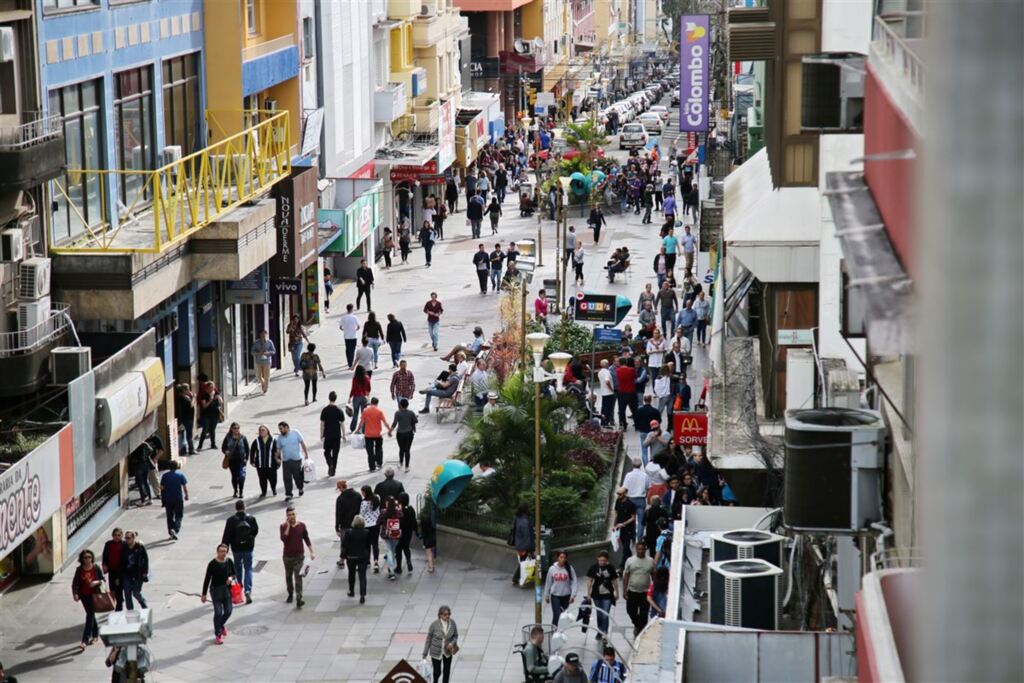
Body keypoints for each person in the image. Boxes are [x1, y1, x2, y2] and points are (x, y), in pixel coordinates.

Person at [221, 500, 258, 604]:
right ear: (245, 507)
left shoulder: (231, 520)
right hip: (248, 548)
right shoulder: (251, 518)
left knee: (237, 568)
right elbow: (255, 531)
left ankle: (239, 587)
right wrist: (251, 538)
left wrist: (225, 548)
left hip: (236, 549)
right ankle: (248, 590)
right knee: (248, 568)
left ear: (235, 508)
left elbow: (226, 535)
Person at [200, 543, 236, 644]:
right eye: (221, 551)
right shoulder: (212, 564)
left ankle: (221, 624)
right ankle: (218, 634)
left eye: (225, 551)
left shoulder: (229, 562)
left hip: (226, 590)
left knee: (228, 611)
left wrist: (231, 578)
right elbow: (207, 579)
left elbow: (234, 573)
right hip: (215, 591)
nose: (223, 553)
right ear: (217, 552)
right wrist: (204, 594)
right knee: (218, 613)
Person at [280, 507, 314, 608]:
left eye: (293, 514)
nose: (291, 517)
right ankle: (290, 593)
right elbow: (284, 539)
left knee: (298, 577)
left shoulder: (302, 525)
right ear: (287, 516)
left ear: (296, 514)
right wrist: (288, 526)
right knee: (288, 577)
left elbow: (306, 538)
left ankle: (299, 598)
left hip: (299, 557)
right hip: (287, 557)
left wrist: (312, 551)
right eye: (289, 515)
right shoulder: (283, 526)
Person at [72, 549, 105, 650]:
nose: (87, 559)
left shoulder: (95, 568)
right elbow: (75, 583)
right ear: (82, 559)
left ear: (92, 558)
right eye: (85, 557)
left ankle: (84, 640)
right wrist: (75, 594)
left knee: (90, 615)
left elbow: (103, 580)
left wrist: (95, 582)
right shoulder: (79, 570)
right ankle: (95, 635)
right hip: (84, 596)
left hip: (94, 595)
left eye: (89, 557)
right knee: (91, 615)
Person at [623, 541, 656, 636]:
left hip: (645, 593)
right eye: (638, 549)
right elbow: (626, 575)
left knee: (644, 614)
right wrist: (624, 590)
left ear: (645, 549)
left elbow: (653, 575)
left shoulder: (650, 561)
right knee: (630, 611)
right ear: (636, 549)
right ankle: (637, 624)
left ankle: (641, 632)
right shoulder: (630, 561)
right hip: (632, 591)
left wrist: (654, 590)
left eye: (642, 549)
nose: (640, 551)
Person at [586, 551, 619, 642]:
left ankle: (604, 632)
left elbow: (614, 581)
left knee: (605, 614)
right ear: (598, 559)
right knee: (599, 614)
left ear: (607, 560)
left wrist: (617, 592)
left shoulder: (610, 568)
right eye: (600, 560)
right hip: (596, 594)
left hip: (607, 594)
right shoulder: (594, 568)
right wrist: (588, 593)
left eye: (604, 560)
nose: (602, 562)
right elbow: (589, 580)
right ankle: (599, 630)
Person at [422, 605, 459, 683]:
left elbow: (455, 636)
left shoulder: (452, 623)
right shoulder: (434, 624)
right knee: (437, 671)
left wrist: (452, 643)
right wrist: (425, 653)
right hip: (436, 651)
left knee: (446, 671)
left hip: (447, 651)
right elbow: (428, 639)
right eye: (445, 614)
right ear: (440, 615)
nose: (447, 616)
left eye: (448, 614)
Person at [340, 514, 372, 603]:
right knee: (362, 576)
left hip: (351, 557)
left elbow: (344, 545)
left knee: (351, 574)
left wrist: (343, 555)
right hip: (362, 556)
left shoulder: (348, 532)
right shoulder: (366, 532)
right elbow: (368, 545)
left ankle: (351, 591)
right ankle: (362, 594)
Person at [544, 550, 578, 628]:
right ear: (557, 558)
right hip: (555, 596)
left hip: (566, 596)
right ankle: (553, 631)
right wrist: (546, 595)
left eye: (564, 558)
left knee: (562, 615)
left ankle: (560, 631)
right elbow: (548, 582)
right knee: (557, 614)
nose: (562, 559)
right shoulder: (552, 569)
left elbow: (574, 581)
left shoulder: (569, 568)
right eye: (561, 557)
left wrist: (573, 595)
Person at [275, 422, 309, 500]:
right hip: (286, 461)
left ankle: (300, 488)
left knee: (297, 476)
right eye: (279, 429)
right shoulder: (280, 438)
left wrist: (306, 454)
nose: (280, 430)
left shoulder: (295, 433)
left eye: (281, 428)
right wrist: (277, 458)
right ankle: (289, 494)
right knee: (286, 478)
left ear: (286, 427)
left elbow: (302, 443)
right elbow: (278, 449)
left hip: (296, 460)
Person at [357, 397, 390, 472]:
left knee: (370, 451)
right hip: (377, 434)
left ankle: (372, 466)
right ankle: (379, 462)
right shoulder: (379, 411)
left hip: (368, 435)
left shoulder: (365, 411)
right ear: (377, 403)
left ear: (371, 402)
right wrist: (389, 430)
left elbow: (361, 422)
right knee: (379, 448)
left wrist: (357, 430)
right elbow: (385, 423)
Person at [334, 479, 363, 564]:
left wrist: (337, 527)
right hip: (357, 523)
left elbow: (338, 514)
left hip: (345, 524)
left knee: (344, 543)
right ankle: (359, 559)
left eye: (339, 488)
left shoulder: (340, 498)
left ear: (341, 488)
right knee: (357, 542)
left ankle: (342, 560)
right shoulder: (358, 495)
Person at [319, 391, 347, 477]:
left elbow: (322, 424)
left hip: (328, 435)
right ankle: (333, 470)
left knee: (326, 452)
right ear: (336, 399)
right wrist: (344, 435)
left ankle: (330, 463)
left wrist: (321, 435)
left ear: (329, 398)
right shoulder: (339, 410)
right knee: (335, 453)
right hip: (336, 435)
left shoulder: (325, 410)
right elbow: (342, 424)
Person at [159, 460, 189, 540]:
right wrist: (186, 495)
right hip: (178, 499)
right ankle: (175, 529)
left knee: (169, 516)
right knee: (179, 516)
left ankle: (171, 531)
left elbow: (162, 488)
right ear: (177, 467)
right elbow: (184, 487)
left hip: (168, 499)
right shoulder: (180, 475)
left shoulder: (165, 476)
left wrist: (163, 498)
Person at [221, 422, 249, 499]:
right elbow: (223, 447)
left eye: (238, 428)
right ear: (231, 429)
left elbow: (247, 448)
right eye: (235, 428)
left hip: (241, 461)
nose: (236, 429)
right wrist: (225, 451)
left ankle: (241, 491)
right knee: (234, 476)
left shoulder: (243, 437)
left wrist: (247, 458)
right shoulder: (228, 437)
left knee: (241, 477)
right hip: (232, 460)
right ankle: (235, 490)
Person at [249, 424, 278, 497]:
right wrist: (252, 461)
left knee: (273, 479)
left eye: (263, 430)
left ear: (267, 431)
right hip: (260, 465)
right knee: (262, 479)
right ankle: (263, 492)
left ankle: (273, 489)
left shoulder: (273, 440)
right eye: (260, 430)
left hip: (271, 464)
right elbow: (252, 451)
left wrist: (278, 461)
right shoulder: (256, 441)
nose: (261, 432)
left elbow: (277, 451)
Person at [101, 529, 127, 611]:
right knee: (112, 588)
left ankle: (119, 606)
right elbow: (105, 555)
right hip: (111, 570)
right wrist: (104, 565)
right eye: (115, 535)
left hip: (120, 571)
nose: (117, 537)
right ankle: (119, 600)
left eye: (119, 535)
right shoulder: (108, 544)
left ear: (122, 536)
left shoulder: (124, 544)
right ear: (112, 535)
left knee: (118, 587)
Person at [613, 486, 638, 568]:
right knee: (624, 546)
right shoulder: (618, 501)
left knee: (626, 546)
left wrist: (623, 523)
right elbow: (616, 513)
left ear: (625, 494)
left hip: (628, 528)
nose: (618, 496)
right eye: (618, 494)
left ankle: (622, 565)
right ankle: (631, 559)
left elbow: (633, 517)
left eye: (620, 494)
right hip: (620, 528)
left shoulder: (631, 504)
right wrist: (614, 525)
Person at [391, 398, 418, 472]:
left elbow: (394, 423)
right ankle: (407, 466)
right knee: (407, 450)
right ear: (407, 405)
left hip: (400, 433)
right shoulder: (411, 413)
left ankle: (400, 462)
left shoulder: (397, 413)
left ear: (400, 405)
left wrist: (390, 431)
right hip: (409, 433)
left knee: (401, 449)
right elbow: (416, 421)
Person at [380, 496, 404, 580]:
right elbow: (402, 519)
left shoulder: (384, 512)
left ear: (386, 503)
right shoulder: (398, 512)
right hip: (396, 535)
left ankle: (391, 571)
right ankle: (391, 568)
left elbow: (378, 521)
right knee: (392, 551)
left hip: (386, 535)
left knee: (389, 552)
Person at [511, 502, 535, 585]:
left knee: (524, 561)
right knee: (524, 562)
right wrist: (530, 549)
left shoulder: (518, 518)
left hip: (519, 544)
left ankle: (518, 577)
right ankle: (516, 578)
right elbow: (527, 535)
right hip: (524, 546)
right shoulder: (525, 521)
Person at [360, 486, 382, 572]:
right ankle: (376, 562)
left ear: (365, 492)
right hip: (376, 524)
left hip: (367, 525)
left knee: (367, 544)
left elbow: (361, 513)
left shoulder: (364, 503)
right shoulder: (377, 498)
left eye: (362, 492)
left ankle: (368, 561)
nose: (362, 493)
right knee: (375, 543)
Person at [396, 492, 418, 574]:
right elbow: (414, 521)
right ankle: (408, 561)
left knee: (398, 549)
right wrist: (416, 530)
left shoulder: (399, 510)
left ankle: (399, 567)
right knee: (406, 548)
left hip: (400, 532)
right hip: (408, 532)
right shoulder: (411, 509)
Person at [197, 381, 222, 451]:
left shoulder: (216, 393)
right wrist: (210, 400)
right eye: (210, 387)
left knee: (212, 430)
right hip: (206, 415)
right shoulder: (204, 395)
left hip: (215, 414)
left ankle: (213, 444)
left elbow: (221, 402)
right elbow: (204, 406)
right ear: (207, 388)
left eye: (213, 387)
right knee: (205, 429)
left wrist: (219, 399)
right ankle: (200, 446)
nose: (212, 389)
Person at [175, 384, 196, 455]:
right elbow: (191, 404)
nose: (189, 391)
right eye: (187, 389)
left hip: (188, 418)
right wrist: (194, 397)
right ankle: (191, 449)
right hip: (187, 419)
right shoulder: (182, 398)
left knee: (184, 435)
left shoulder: (185, 397)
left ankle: (184, 449)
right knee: (189, 435)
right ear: (184, 390)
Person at [349, 366, 371, 432]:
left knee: (355, 413)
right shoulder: (367, 378)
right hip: (364, 397)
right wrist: (367, 394)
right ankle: (364, 429)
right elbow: (369, 388)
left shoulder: (355, 378)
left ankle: (352, 428)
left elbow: (353, 389)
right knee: (363, 414)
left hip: (356, 397)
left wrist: (350, 397)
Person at [339, 304, 360, 369]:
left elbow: (340, 327)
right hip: (353, 336)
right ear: (352, 309)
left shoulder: (343, 317)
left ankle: (349, 362)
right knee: (352, 350)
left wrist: (345, 330)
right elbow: (359, 326)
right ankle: (351, 362)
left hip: (346, 336)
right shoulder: (355, 317)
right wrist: (355, 330)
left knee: (347, 349)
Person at [420, 503, 437, 573]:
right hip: (433, 540)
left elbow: (423, 536)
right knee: (432, 553)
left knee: (428, 554)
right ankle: (432, 565)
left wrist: (424, 544)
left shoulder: (424, 529)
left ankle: (431, 567)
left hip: (427, 542)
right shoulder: (432, 527)